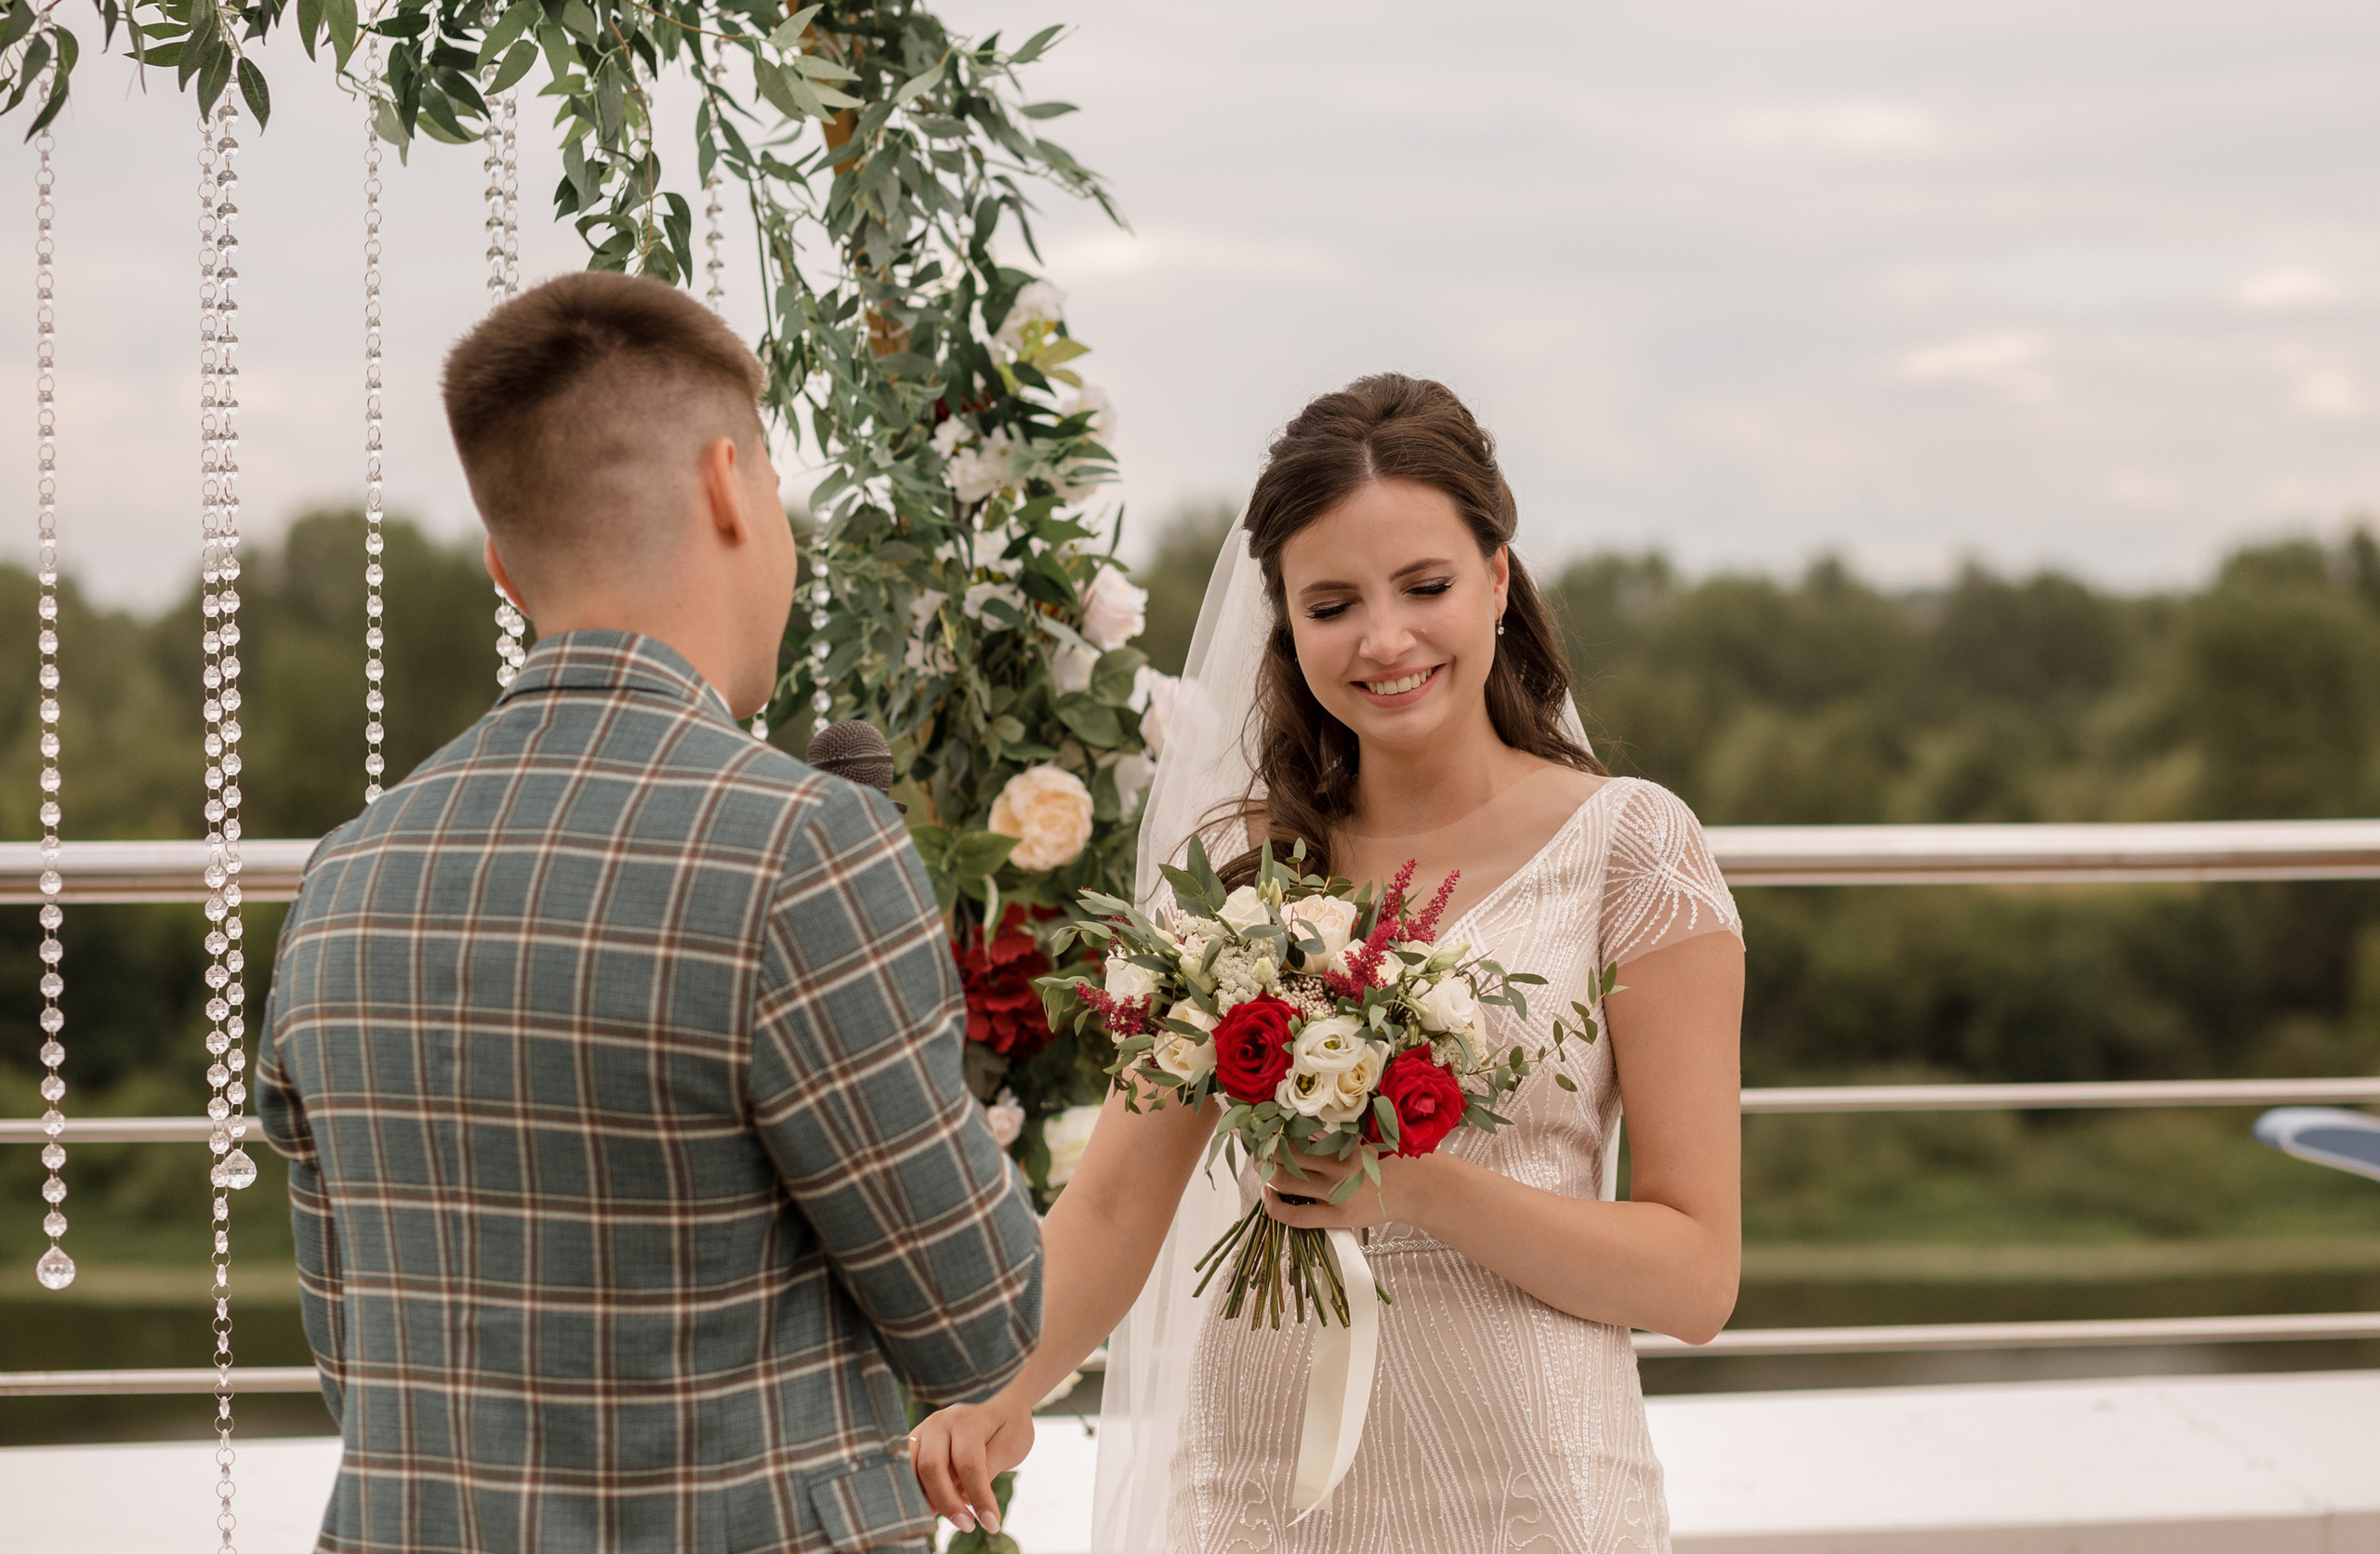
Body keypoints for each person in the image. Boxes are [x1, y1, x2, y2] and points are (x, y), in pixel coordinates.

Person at [256, 271, 1043, 1553]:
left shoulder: (342, 877)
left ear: (508, 565)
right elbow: (979, 1318)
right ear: (730, 483)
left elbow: (359, 1357)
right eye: (778, 483)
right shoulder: (804, 845)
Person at [911, 375, 1745, 1553]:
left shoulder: (1633, 848)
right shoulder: (1237, 869)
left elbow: (1696, 1275)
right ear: (1285, 622)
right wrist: (994, 1390)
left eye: (1425, 586)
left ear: (1499, 580)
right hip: (1264, 1491)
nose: (1383, 640)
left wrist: (1416, 1188)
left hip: (1536, 1499)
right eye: (1332, 603)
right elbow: (1108, 1205)